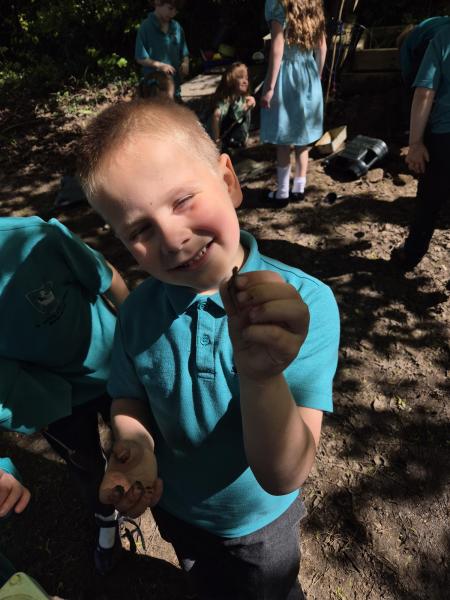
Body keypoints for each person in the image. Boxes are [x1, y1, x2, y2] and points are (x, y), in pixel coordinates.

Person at [77, 98, 340, 600]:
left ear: (228, 180)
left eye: (181, 200)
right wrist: (135, 443)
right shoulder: (136, 313)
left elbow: (285, 475)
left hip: (258, 524)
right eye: (140, 229)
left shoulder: (303, 307)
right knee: (205, 583)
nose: (172, 237)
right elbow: (129, 397)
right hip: (177, 510)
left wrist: (262, 375)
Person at [0, 216, 129, 575]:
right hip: (52, 400)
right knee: (85, 465)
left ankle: (169, 506)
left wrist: (137, 333)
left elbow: (105, 276)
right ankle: (106, 519)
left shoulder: (34, 237)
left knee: (142, 437)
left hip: (112, 366)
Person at [391, 25, 450, 270]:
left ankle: (411, 254)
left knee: (429, 201)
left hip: (444, 136)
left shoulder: (444, 36)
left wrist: (415, 143)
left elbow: (424, 92)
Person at [260, 0, 327, 205]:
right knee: (302, 138)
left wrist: (270, 87)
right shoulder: (313, 4)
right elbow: (322, 46)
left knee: (283, 138)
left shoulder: (277, 4)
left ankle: (282, 193)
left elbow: (277, 47)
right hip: (308, 74)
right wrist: (317, 76)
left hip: (286, 75)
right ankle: (299, 188)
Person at [135, 0, 189, 100]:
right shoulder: (145, 27)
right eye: (170, 8)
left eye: (176, 10)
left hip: (175, 88)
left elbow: (184, 52)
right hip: (154, 89)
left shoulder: (177, 27)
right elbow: (140, 58)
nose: (173, 13)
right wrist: (160, 65)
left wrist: (185, 63)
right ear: (157, 2)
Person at [206, 62, 256, 151]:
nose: (245, 81)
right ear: (230, 80)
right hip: (222, 136)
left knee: (248, 107)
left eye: (246, 78)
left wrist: (251, 103)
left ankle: (243, 139)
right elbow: (216, 115)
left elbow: (244, 109)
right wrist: (216, 141)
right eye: (240, 78)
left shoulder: (241, 98)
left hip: (233, 136)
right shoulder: (224, 101)